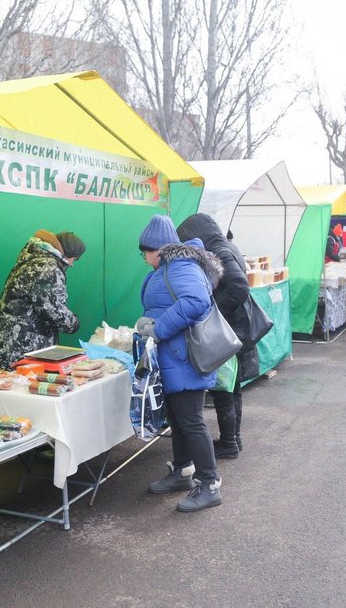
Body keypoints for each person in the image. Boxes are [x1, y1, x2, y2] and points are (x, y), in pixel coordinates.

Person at [135, 214, 224, 512]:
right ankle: (183, 471)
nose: (143, 257)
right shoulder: (167, 268)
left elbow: (197, 301)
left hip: (184, 358)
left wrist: (158, 328)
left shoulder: (182, 266)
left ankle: (210, 484)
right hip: (172, 359)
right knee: (178, 421)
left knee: (192, 422)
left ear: (157, 249)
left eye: (144, 251)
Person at [176, 213, 251, 459]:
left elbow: (239, 285)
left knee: (223, 388)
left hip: (226, 329)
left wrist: (212, 311)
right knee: (232, 386)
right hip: (235, 327)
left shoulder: (219, 251)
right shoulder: (227, 246)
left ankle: (229, 442)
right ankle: (233, 439)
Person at [0, 230, 85, 369]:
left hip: (8, 343)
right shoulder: (47, 267)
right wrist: (74, 323)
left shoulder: (34, 259)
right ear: (68, 254)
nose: (72, 264)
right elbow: (52, 310)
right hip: (19, 348)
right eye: (75, 259)